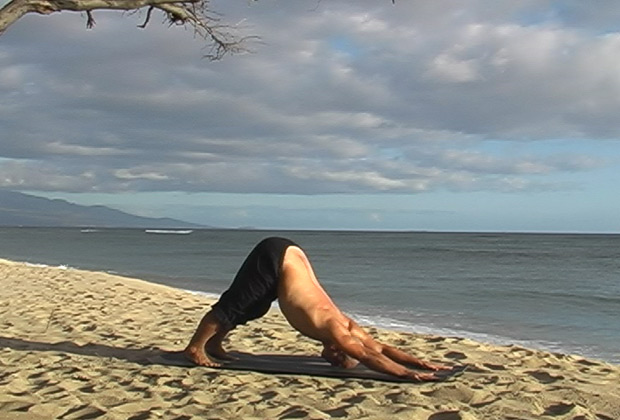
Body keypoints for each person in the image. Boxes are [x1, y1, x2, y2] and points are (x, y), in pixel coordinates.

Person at [184, 237, 449, 382]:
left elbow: (380, 348)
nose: (328, 359)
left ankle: (215, 344)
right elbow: (370, 357)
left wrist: (421, 362)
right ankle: (195, 348)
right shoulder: (340, 333)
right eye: (336, 359)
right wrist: (408, 374)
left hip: (290, 255)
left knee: (253, 308)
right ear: (341, 350)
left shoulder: (350, 326)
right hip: (276, 257)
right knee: (235, 305)